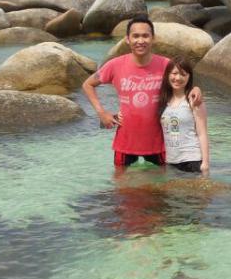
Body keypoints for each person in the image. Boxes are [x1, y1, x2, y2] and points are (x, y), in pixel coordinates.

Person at [82, 16, 200, 171]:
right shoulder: (115, 65)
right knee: (122, 187)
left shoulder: (165, 65)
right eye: (135, 36)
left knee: (161, 188)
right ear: (127, 39)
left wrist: (196, 89)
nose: (140, 40)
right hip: (126, 141)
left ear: (153, 38)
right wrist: (102, 113)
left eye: (145, 35)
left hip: (159, 141)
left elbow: (183, 79)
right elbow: (88, 84)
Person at [157, 56, 210, 175]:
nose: (178, 78)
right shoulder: (163, 100)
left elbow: (202, 134)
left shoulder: (194, 100)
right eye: (174, 73)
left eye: (183, 74)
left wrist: (205, 164)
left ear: (189, 76)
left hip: (192, 160)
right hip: (170, 161)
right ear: (168, 75)